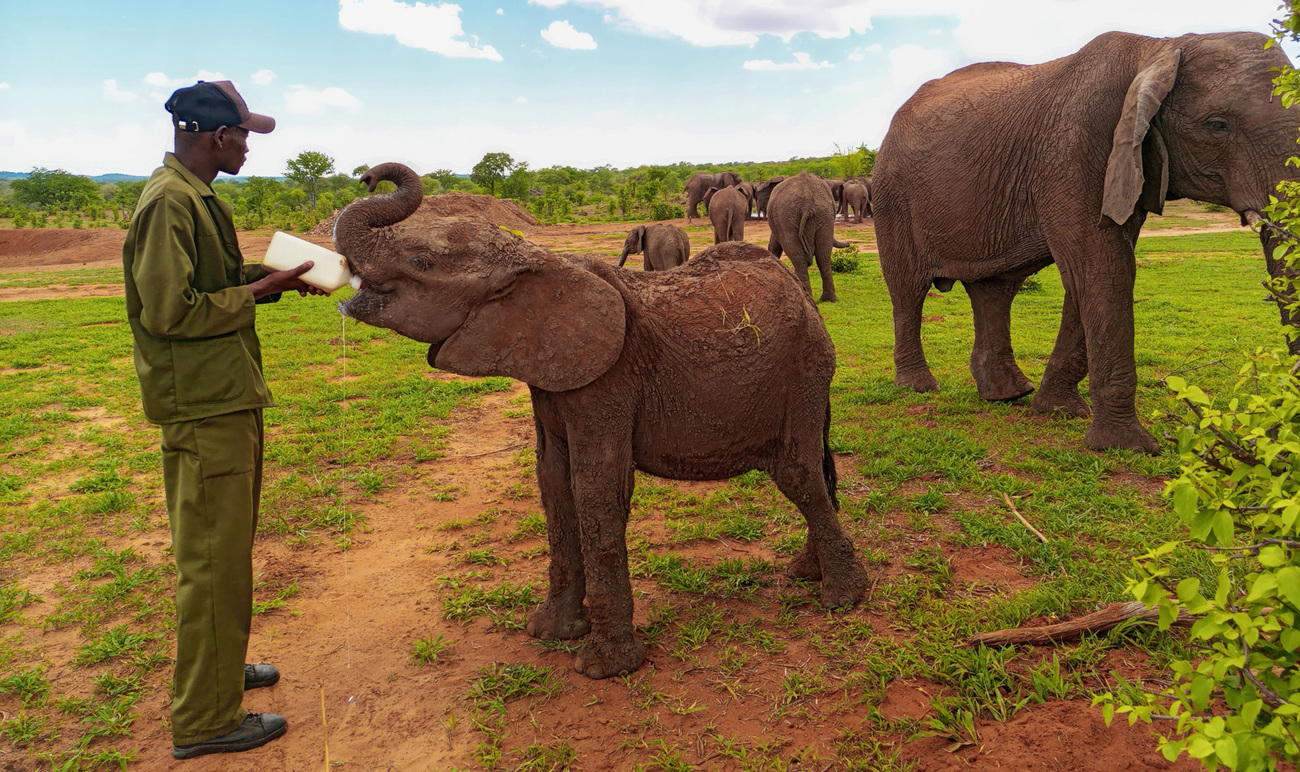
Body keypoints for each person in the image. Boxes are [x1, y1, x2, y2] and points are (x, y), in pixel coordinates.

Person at [122, 80, 325, 760]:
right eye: (242, 137)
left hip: (222, 395)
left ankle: (216, 673)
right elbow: (168, 311)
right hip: (204, 404)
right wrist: (260, 289)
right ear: (215, 138)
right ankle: (207, 720)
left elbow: (204, 285)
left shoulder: (193, 195)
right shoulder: (170, 202)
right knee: (212, 562)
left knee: (225, 553)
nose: (246, 148)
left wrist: (262, 280)